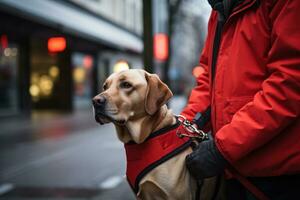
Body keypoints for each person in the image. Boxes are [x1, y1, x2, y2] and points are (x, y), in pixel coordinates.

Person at [181, 0, 300, 199]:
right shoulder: (220, 10)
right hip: (233, 169)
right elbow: (209, 81)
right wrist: (182, 128)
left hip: (277, 177)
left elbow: (288, 83)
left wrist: (222, 148)